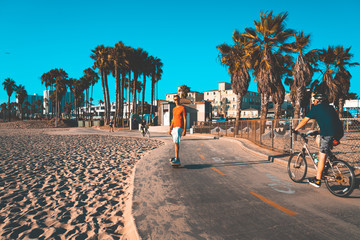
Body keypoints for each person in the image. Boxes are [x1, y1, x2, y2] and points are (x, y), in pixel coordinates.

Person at [293, 93, 344, 188]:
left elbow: (304, 121)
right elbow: (329, 122)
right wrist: (318, 131)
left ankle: (317, 180)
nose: (314, 101)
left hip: (328, 134)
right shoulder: (330, 107)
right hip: (339, 133)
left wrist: (295, 129)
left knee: (322, 156)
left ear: (318, 101)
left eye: (315, 100)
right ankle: (331, 157)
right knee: (318, 138)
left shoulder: (316, 108)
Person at [168, 95, 187, 166]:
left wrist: (185, 129)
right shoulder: (174, 109)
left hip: (179, 127)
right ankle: (176, 158)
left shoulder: (182, 108)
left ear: (179, 100)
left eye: (177, 99)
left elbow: (185, 119)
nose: (176, 101)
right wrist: (170, 128)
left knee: (176, 142)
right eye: (175, 100)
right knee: (175, 143)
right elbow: (173, 119)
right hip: (174, 127)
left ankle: (177, 158)